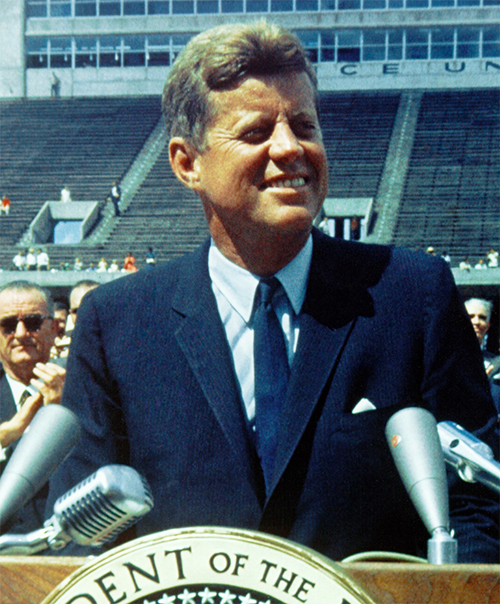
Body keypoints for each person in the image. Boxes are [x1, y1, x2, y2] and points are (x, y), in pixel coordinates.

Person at [47, 21, 500, 563]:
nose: (291, 148)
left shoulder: (412, 295)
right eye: (256, 132)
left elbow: (478, 505)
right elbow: (81, 529)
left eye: (304, 126)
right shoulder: (117, 322)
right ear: (187, 163)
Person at [0, 281, 65, 533]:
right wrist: (8, 434)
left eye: (33, 322)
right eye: (7, 325)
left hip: (69, 550)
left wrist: (61, 416)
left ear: (55, 328)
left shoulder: (85, 389)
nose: (20, 333)